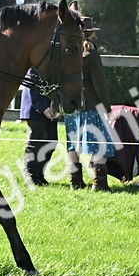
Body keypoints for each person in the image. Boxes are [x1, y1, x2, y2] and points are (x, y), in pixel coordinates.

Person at [61, 15, 114, 191]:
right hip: (92, 106)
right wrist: (107, 107)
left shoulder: (67, 53)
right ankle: (99, 184)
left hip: (72, 106)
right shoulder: (92, 54)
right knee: (100, 145)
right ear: (91, 34)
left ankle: (75, 182)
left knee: (73, 145)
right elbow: (100, 84)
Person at [20, 71, 58, 187]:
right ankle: (30, 175)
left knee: (52, 141)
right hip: (34, 107)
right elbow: (32, 83)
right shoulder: (37, 61)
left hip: (52, 107)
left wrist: (56, 105)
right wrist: (43, 107)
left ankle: (39, 174)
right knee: (35, 141)